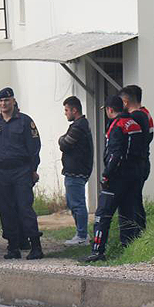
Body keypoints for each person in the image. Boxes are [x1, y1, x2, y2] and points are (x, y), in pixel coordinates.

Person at [0, 87, 43, 260]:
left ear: (13, 101)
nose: (4, 104)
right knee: (6, 210)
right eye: (1, 101)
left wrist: (33, 169)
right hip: (1, 172)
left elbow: (34, 147)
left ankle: (35, 246)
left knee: (24, 208)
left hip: (21, 171)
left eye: (7, 100)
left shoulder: (25, 121)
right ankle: (13, 247)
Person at [81, 95, 143, 262]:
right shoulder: (133, 123)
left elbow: (116, 154)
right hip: (133, 176)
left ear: (110, 109)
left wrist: (106, 174)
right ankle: (128, 248)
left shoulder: (117, 126)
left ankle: (97, 251)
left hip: (117, 178)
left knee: (102, 215)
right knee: (127, 214)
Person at [58, 96, 94, 246]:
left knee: (77, 204)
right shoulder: (79, 124)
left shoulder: (79, 126)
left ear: (74, 110)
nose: (65, 113)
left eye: (67, 110)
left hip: (76, 171)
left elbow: (65, 143)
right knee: (73, 203)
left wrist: (61, 139)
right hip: (75, 171)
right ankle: (80, 234)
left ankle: (82, 236)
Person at [118, 85, 154, 233]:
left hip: (137, 164)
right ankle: (139, 231)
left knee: (132, 201)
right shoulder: (146, 114)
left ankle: (135, 233)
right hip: (144, 162)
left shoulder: (137, 117)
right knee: (136, 199)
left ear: (125, 102)